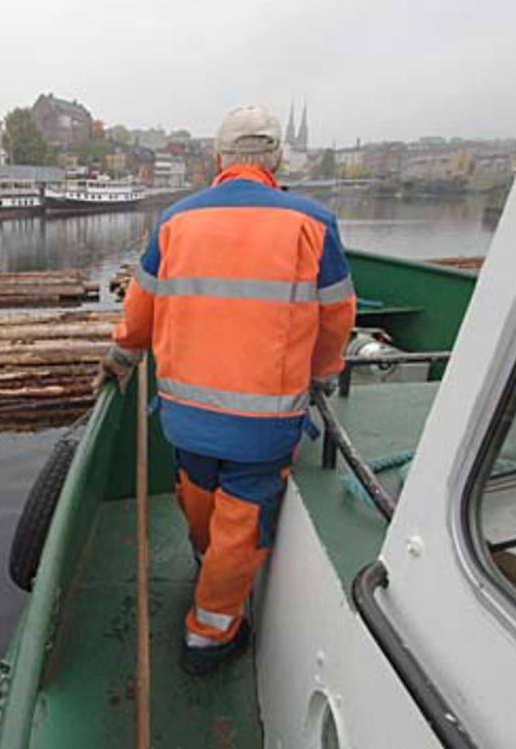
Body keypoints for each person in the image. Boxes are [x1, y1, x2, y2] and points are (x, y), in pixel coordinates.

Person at [95, 104, 357, 675]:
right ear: (278, 160)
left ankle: (202, 558)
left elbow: (140, 307)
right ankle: (209, 639)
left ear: (217, 160)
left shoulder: (176, 221)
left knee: (197, 492)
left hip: (185, 414)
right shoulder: (313, 223)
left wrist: (120, 355)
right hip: (263, 424)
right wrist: (324, 375)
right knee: (241, 522)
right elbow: (336, 315)